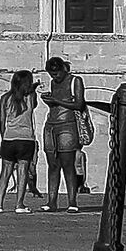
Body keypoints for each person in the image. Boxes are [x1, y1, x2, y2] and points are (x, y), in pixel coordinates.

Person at [40, 57, 89, 211]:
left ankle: (72, 201)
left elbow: (79, 104)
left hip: (67, 124)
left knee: (68, 164)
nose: (55, 77)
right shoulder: (54, 83)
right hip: (52, 124)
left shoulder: (75, 81)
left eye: (57, 73)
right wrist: (50, 101)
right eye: (52, 74)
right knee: (53, 165)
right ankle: (52, 201)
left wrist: (56, 100)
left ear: (63, 69)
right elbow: (57, 101)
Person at [0, 69, 38, 215]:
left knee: (5, 171)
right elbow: (34, 103)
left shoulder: (5, 98)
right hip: (26, 139)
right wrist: (34, 87)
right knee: (23, 171)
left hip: (9, 138)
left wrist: (3, 136)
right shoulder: (30, 97)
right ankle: (19, 204)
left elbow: (1, 119)